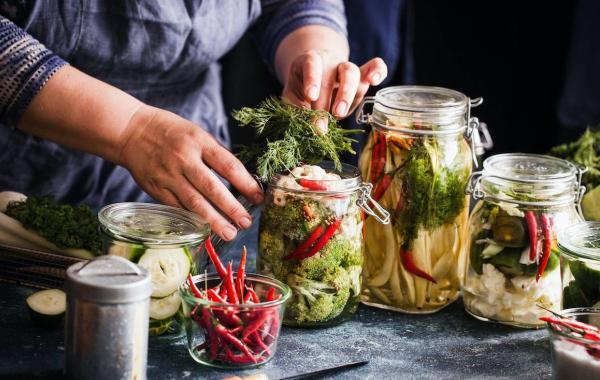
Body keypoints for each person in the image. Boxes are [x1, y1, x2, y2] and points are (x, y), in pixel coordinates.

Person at [0, 1, 387, 241]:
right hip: (28, 195)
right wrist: (130, 128)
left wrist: (315, 56)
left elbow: (289, 3)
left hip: (193, 197)